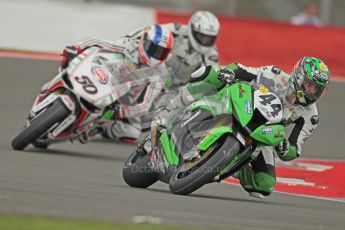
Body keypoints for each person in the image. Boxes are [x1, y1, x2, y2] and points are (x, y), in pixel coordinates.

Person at [153, 56, 330, 199]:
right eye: (311, 85)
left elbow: (294, 148)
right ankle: (170, 109)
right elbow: (244, 70)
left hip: (263, 133)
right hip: (242, 105)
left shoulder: (310, 115)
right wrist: (228, 72)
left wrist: (285, 148)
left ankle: (226, 162)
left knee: (264, 184)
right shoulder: (274, 75)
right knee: (212, 75)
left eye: (318, 89)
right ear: (299, 77)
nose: (313, 92)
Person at [60, 24, 174, 143]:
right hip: (103, 73)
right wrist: (77, 48)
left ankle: (100, 126)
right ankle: (60, 82)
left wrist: (120, 111)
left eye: (162, 52)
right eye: (154, 49)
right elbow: (98, 42)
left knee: (132, 133)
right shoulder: (130, 44)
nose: (156, 54)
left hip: (124, 96)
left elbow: (144, 104)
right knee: (72, 62)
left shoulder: (160, 72)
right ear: (145, 41)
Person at [162, 10, 220, 90]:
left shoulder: (212, 54)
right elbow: (151, 33)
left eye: (209, 38)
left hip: (181, 89)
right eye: (202, 36)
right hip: (158, 75)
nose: (205, 41)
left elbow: (210, 82)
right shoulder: (176, 31)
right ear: (192, 28)